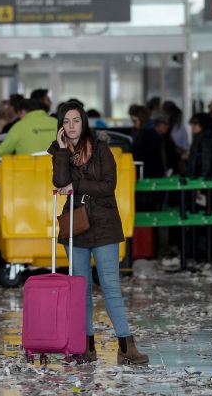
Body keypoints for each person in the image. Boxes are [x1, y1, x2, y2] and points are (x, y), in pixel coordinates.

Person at [48, 102, 148, 365]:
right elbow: (59, 182)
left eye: (76, 120)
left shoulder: (101, 149)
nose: (71, 126)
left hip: (104, 225)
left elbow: (108, 186)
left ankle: (126, 346)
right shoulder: (59, 152)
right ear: (61, 125)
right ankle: (85, 346)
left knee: (111, 287)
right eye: (66, 121)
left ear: (84, 122)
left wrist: (77, 184)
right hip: (76, 227)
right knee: (80, 290)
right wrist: (60, 152)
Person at [187, 112, 212, 179]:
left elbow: (206, 160)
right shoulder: (201, 137)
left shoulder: (205, 139)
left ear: (203, 125)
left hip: (200, 178)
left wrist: (202, 177)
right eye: (192, 123)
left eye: (196, 124)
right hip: (198, 177)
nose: (193, 126)